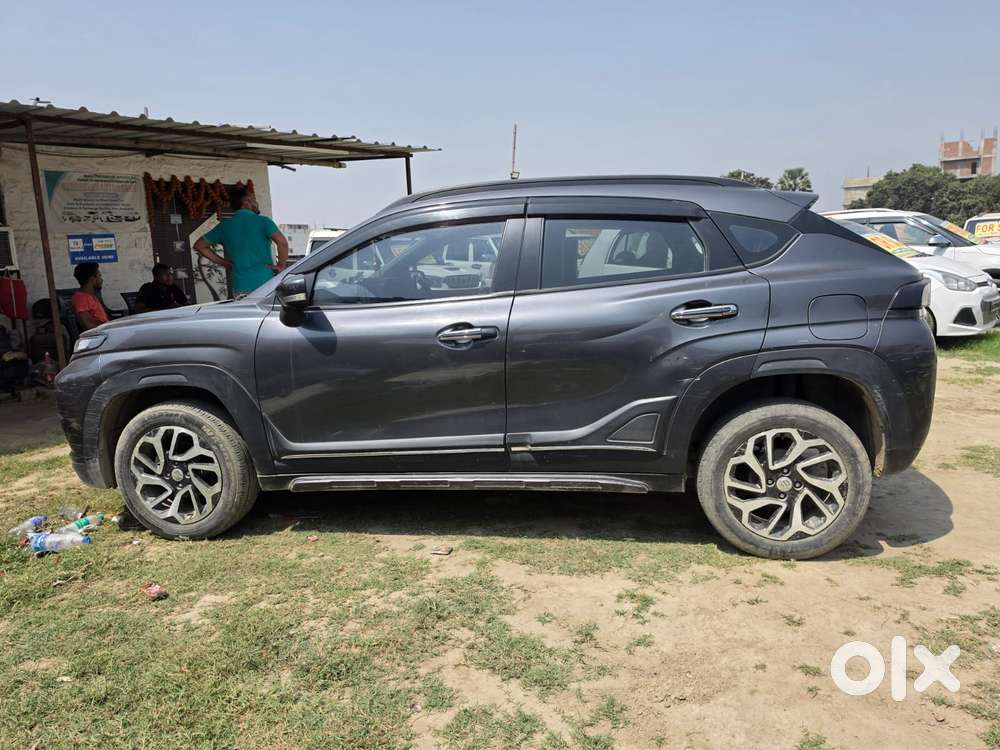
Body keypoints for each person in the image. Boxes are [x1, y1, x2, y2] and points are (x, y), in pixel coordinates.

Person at [192, 187, 289, 296]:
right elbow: (282, 243)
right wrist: (281, 266)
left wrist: (225, 263)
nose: (256, 203)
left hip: (240, 286)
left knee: (245, 313)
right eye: (254, 199)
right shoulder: (263, 221)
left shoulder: (224, 226)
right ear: (246, 201)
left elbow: (199, 245)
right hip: (265, 283)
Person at [71, 262, 108, 331]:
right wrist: (109, 328)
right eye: (99, 276)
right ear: (92, 279)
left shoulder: (91, 296)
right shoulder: (81, 298)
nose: (102, 279)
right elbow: (87, 325)